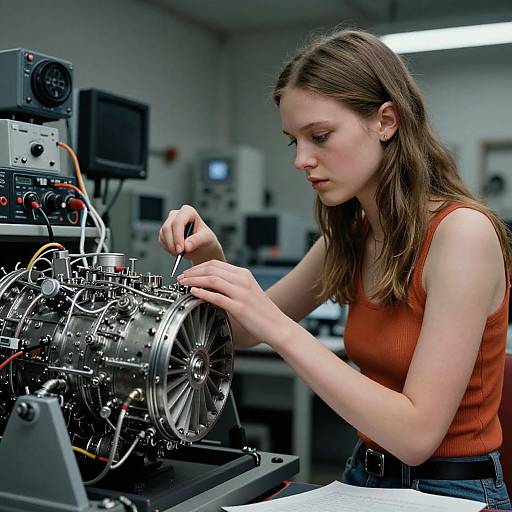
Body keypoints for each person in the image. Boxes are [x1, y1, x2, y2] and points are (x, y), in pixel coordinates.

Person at [159, 29, 511, 508]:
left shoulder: (461, 235)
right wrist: (211, 258)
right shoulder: (352, 235)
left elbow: (415, 435)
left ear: (386, 121)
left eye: (320, 136)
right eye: (294, 142)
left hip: (452, 491)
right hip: (363, 476)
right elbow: (242, 333)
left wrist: (280, 329)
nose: (303, 160)